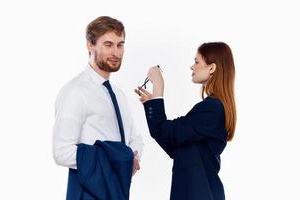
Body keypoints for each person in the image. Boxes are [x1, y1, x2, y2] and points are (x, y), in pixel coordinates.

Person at [53, 16, 143, 199]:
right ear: (90, 46)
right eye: (108, 44)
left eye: (120, 45)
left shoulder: (119, 94)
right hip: (88, 191)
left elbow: (135, 140)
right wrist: (115, 159)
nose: (116, 52)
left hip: (118, 189)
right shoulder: (75, 91)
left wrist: (131, 158)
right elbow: (61, 151)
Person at [135, 42, 236, 200]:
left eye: (197, 62)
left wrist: (159, 87)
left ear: (212, 68)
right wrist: (153, 102)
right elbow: (173, 144)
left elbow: (167, 133)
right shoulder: (213, 109)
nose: (192, 67)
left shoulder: (211, 109)